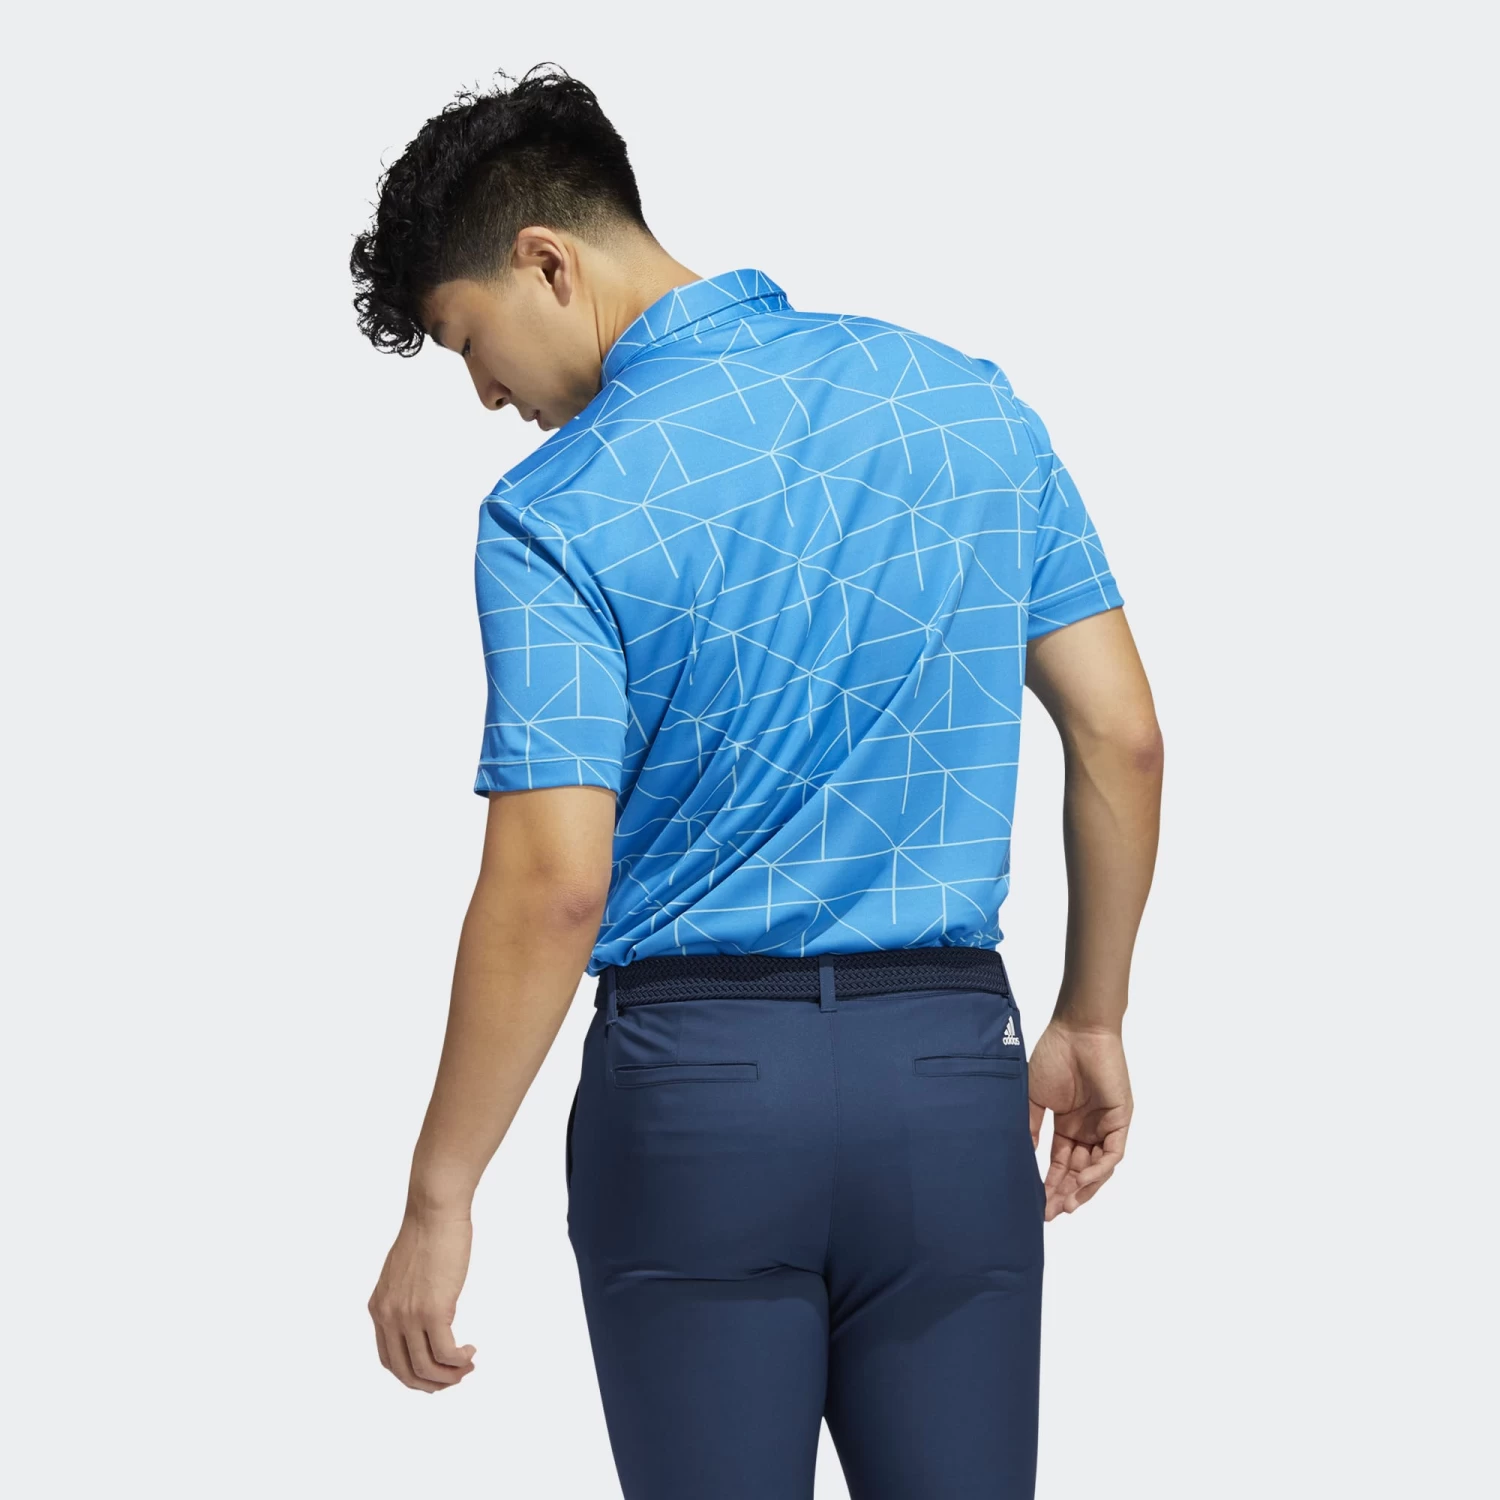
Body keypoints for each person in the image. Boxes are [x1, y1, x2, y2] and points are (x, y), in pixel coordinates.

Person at [350, 60, 1162, 1500]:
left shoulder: (554, 513)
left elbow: (555, 883)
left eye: (470, 339)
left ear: (548, 261)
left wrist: (439, 1194)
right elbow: (1121, 736)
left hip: (698, 1099)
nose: (485, 394)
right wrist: (1090, 1014)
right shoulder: (962, 407)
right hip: (949, 1079)